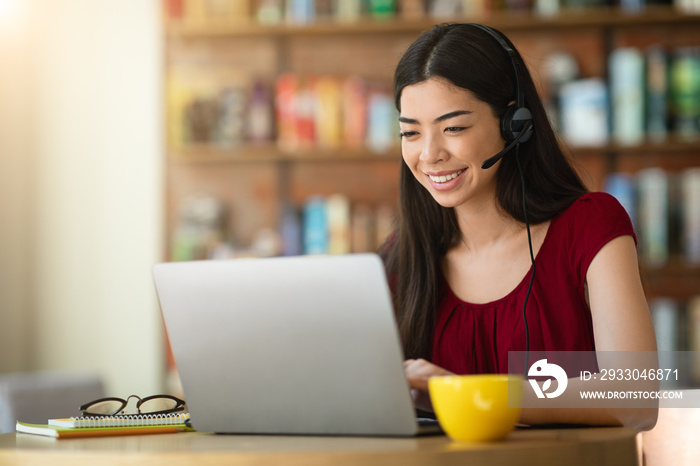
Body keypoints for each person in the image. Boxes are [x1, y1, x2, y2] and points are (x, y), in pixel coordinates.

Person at [380, 23, 658, 430]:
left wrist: (470, 394)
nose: (429, 154)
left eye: (454, 128)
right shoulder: (401, 255)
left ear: (514, 123)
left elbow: (635, 397)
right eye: (410, 132)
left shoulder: (590, 226)